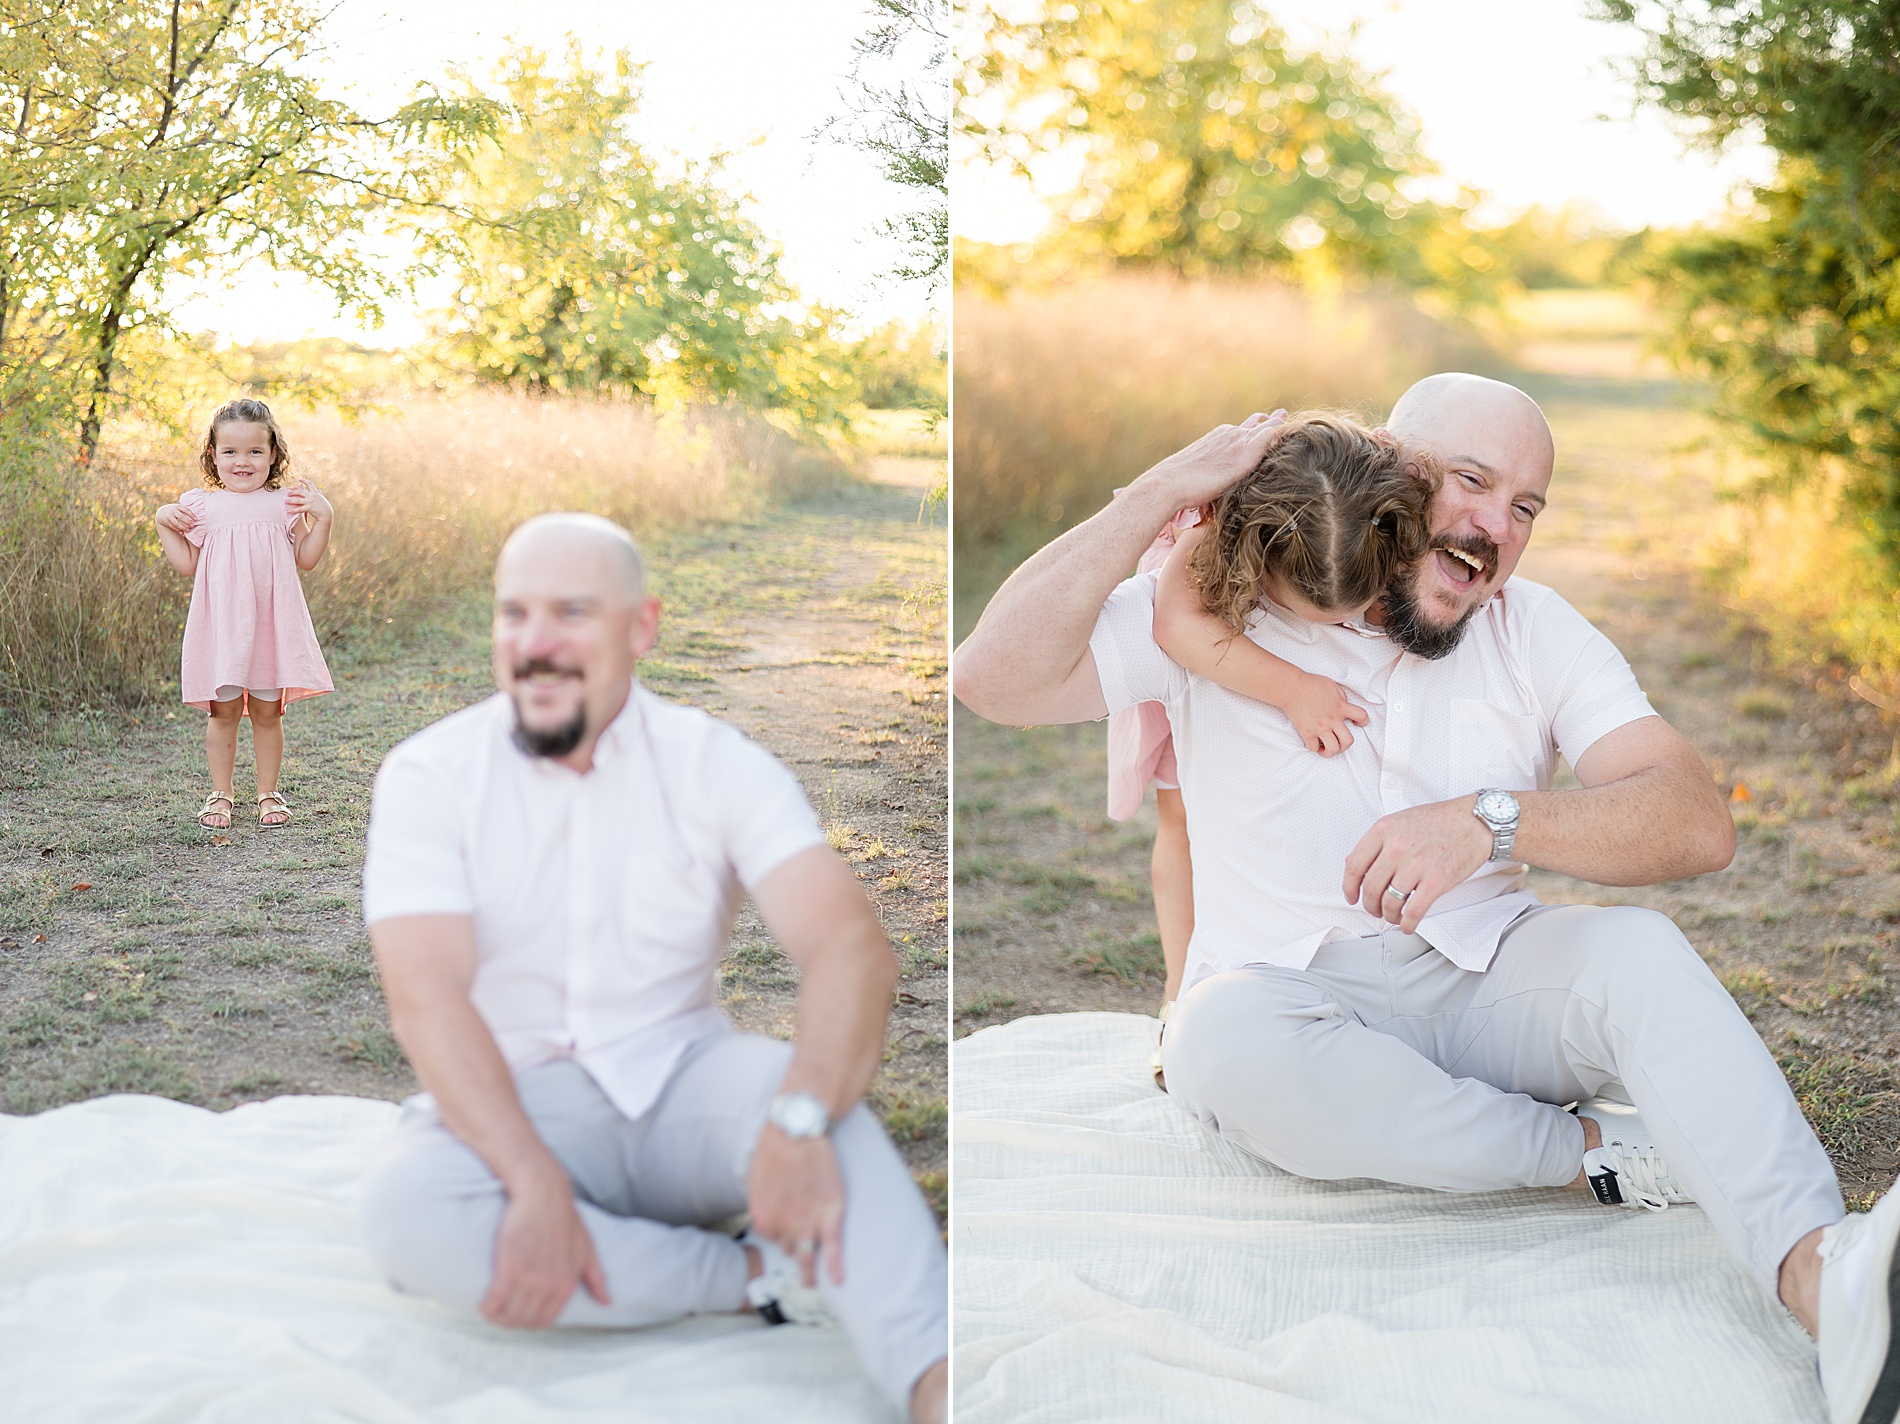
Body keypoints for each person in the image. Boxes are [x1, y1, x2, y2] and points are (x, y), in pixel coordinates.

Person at [954, 373, 1900, 1424]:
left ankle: (1829, 1280)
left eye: (1527, 505)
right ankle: (1592, 1150)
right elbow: (991, 677)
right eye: (1473, 482)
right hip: (1283, 1001)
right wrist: (1161, 488)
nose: (1496, 526)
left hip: (1488, 981)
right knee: (1219, 1037)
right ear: (1391, 468)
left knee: (1636, 953)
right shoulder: (1232, 604)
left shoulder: (1533, 629)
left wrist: (1489, 818)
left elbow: (1692, 819)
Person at [356, 513, 948, 1424]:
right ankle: (757, 1275)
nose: (535, 644)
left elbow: (849, 947)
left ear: (641, 628)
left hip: (684, 1083)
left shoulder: (713, 762)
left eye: (571, 613)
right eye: (513, 615)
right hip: (519, 1104)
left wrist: (795, 1122)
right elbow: (426, 997)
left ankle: (938, 1387)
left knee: (832, 1131)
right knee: (407, 1211)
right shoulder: (429, 775)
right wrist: (534, 1182)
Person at [1107, 411, 1433, 1079]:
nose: (1342, 626)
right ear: (1260, 552)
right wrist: (1292, 689)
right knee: (1182, 820)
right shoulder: (1225, 520)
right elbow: (1176, 624)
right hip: (1206, 656)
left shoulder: (1371, 495)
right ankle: (1181, 992)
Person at [154, 398, 335, 831]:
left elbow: (306, 558)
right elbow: (187, 564)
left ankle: (268, 794)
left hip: (271, 625)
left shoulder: (285, 503)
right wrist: (163, 520)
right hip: (222, 628)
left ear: (273, 455)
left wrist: (324, 515)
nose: (242, 461)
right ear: (213, 455)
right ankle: (221, 794)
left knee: (269, 713)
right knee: (224, 712)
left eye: (255, 451)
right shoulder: (202, 506)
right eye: (230, 451)